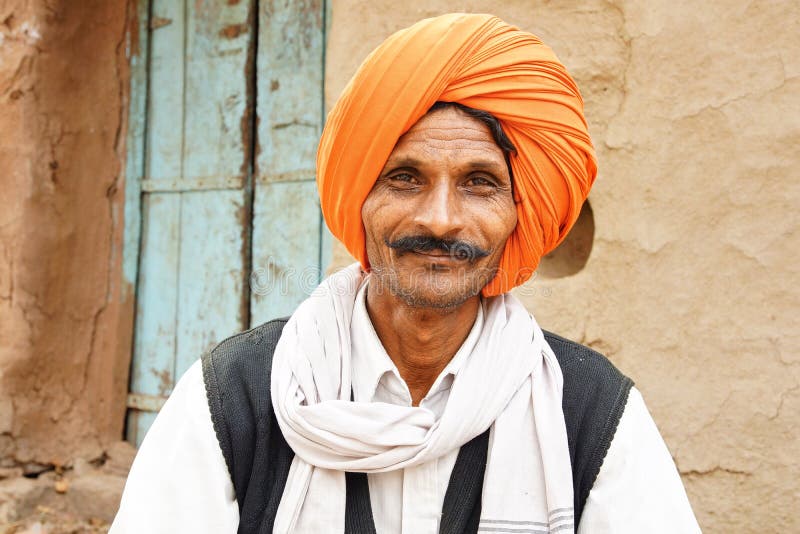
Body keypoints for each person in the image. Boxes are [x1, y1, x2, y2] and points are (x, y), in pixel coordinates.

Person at [111, 13, 700, 534]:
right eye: (405, 179)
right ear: (358, 199)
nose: (441, 220)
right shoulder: (236, 394)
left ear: (519, 213)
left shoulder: (592, 411)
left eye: (480, 183)